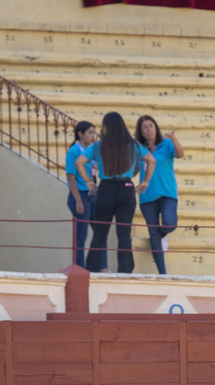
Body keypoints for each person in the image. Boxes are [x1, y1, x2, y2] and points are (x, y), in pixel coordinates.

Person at [76, 112, 155, 274]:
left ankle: (91, 269)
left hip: (106, 189)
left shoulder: (99, 145)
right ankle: (125, 271)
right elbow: (151, 160)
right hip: (126, 188)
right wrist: (145, 181)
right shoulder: (133, 145)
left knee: (99, 233)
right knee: (124, 234)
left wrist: (88, 181)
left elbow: (80, 162)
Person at [134, 114, 184, 275]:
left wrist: (174, 139)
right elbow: (134, 169)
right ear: (141, 132)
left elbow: (181, 154)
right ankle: (163, 274)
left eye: (151, 126)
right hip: (147, 196)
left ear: (156, 127)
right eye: (145, 128)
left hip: (167, 192)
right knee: (153, 234)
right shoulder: (139, 149)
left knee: (170, 223)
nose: (148, 130)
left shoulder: (167, 144)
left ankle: (160, 235)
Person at [64, 121, 106, 271]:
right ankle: (79, 268)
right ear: (80, 134)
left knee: (101, 231)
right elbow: (71, 177)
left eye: (94, 132)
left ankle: (102, 267)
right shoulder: (74, 151)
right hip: (80, 195)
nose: (92, 136)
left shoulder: (91, 152)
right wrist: (78, 201)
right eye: (89, 132)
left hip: (93, 195)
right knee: (81, 235)